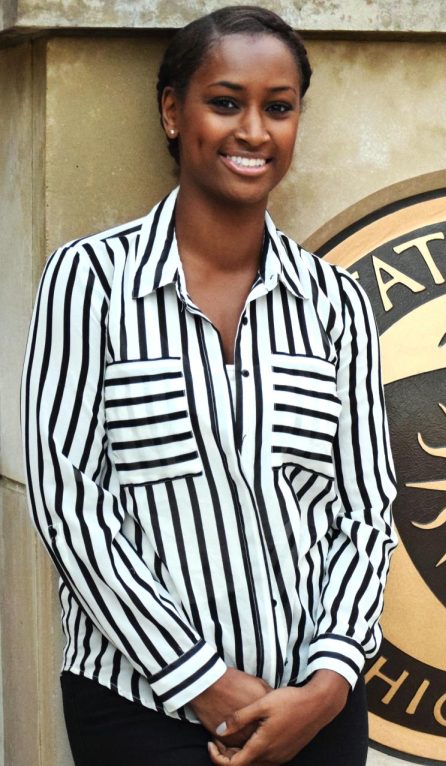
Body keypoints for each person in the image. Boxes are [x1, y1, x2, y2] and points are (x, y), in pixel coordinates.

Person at [21, 6, 397, 765]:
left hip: (313, 714)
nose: (254, 131)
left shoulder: (336, 303)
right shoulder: (90, 283)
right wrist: (202, 680)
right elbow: (70, 504)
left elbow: (366, 510)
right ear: (171, 111)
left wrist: (329, 683)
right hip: (140, 708)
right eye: (226, 102)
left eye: (278, 108)